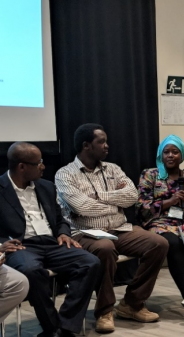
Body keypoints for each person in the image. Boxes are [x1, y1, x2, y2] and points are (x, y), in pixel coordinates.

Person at [55, 123, 169, 333]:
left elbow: (132, 196)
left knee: (158, 243)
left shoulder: (113, 168)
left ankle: (132, 303)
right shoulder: (65, 174)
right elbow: (81, 207)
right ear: (86, 145)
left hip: (120, 228)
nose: (107, 146)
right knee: (105, 248)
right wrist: (114, 202)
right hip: (84, 232)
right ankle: (105, 311)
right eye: (102, 142)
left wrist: (98, 197)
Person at [0, 142, 100, 337]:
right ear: (22, 167)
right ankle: (52, 328)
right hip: (21, 246)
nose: (43, 166)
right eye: (39, 162)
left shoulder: (46, 186)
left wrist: (63, 233)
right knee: (31, 270)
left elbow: (60, 218)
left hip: (52, 243)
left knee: (90, 262)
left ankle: (66, 326)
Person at [136, 134, 184, 324]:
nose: (170, 155)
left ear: (181, 155)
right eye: (166, 152)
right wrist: (168, 202)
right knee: (172, 243)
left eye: (175, 152)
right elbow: (141, 206)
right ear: (161, 155)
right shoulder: (150, 175)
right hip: (160, 222)